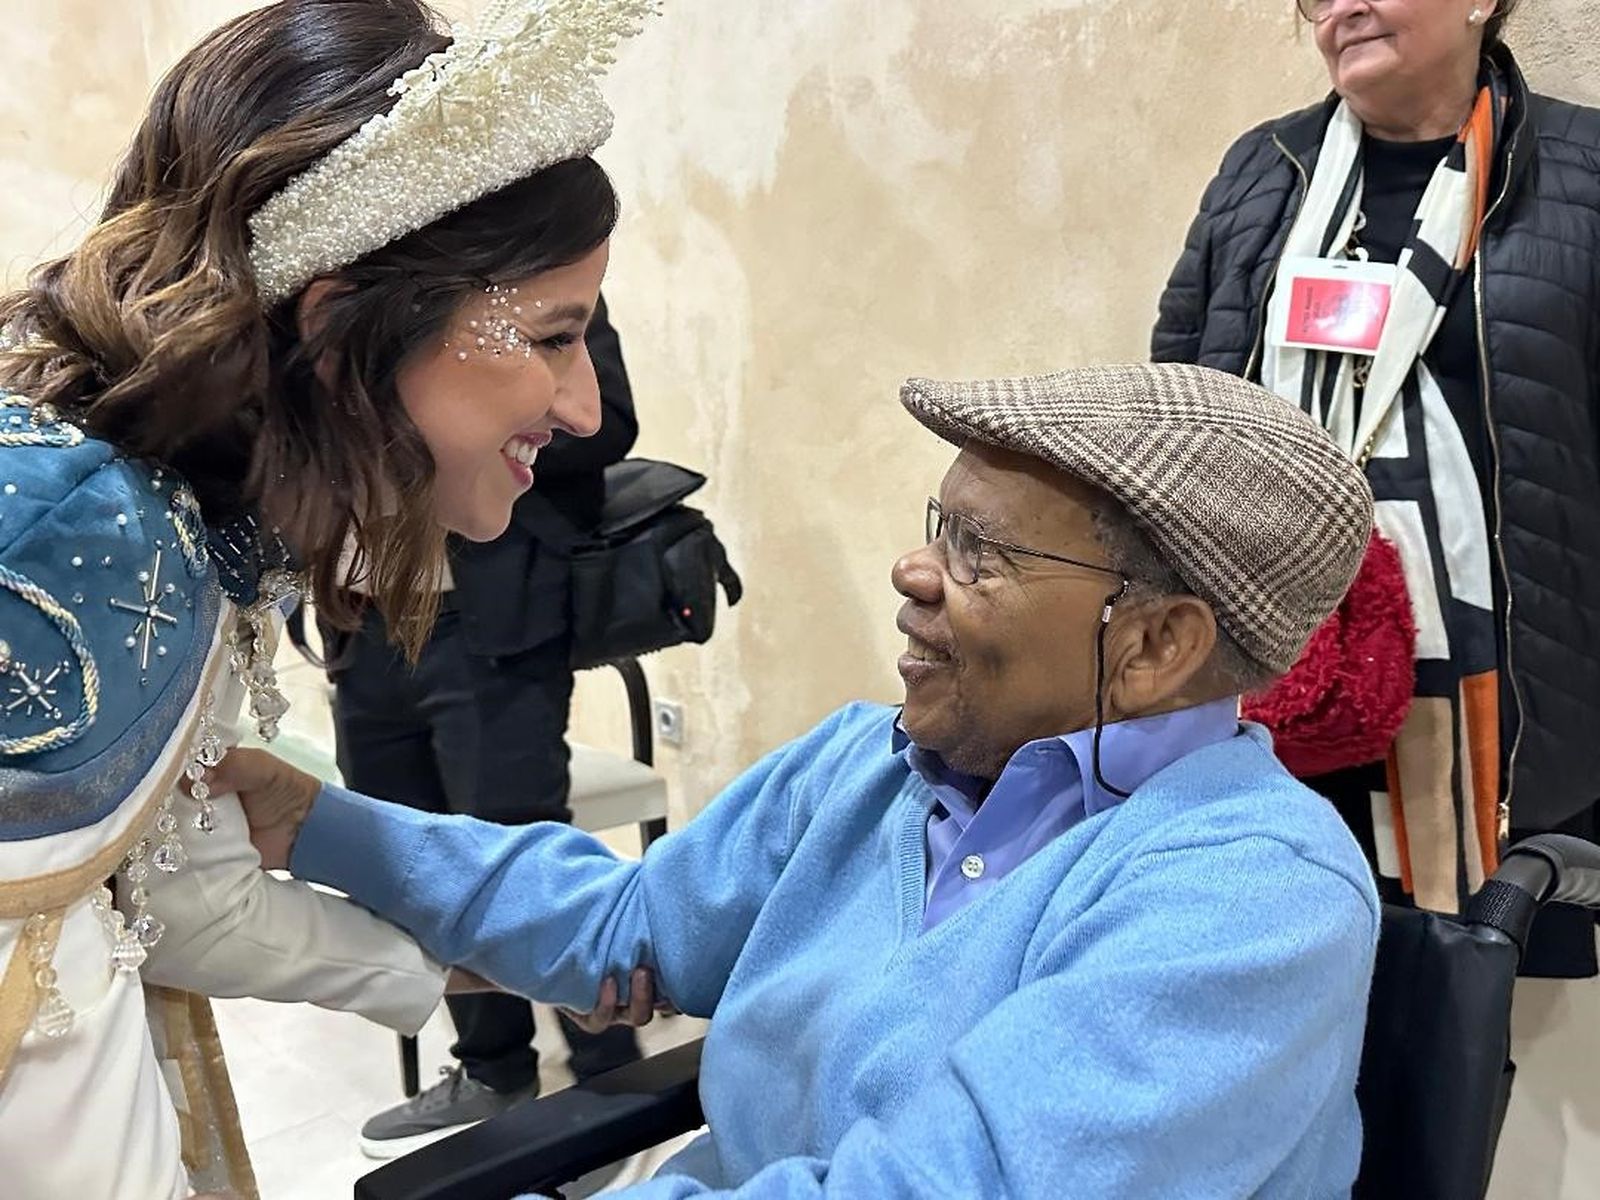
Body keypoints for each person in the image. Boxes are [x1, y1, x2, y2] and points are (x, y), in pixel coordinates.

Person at [218, 362, 1383, 1198]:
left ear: (1156, 648)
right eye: (938, 524)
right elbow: (629, 927)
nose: (912, 570)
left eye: (980, 550)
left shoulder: (1250, 899)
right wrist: (316, 823)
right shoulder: (869, 764)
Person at [0, 0, 654, 1196]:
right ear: (343, 318)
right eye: (552, 338)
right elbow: (38, 1025)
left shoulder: (191, 515)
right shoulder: (64, 542)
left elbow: (175, 899)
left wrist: (489, 955)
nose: (584, 413)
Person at [1152, 0, 1600, 972]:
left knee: (1450, 1010)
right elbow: (1179, 412)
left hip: (1510, 719)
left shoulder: (1581, 174)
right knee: (1270, 971)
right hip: (1282, 684)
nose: (1339, 7)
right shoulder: (1261, 176)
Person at [329, 295, 643, 1159]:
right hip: (362, 621)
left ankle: (610, 1079)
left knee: (516, 850)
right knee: (413, 860)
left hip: (487, 619)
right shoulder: (328, 293)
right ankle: (493, 1065)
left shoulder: (529, 281)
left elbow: (606, 422)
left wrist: (451, 411)